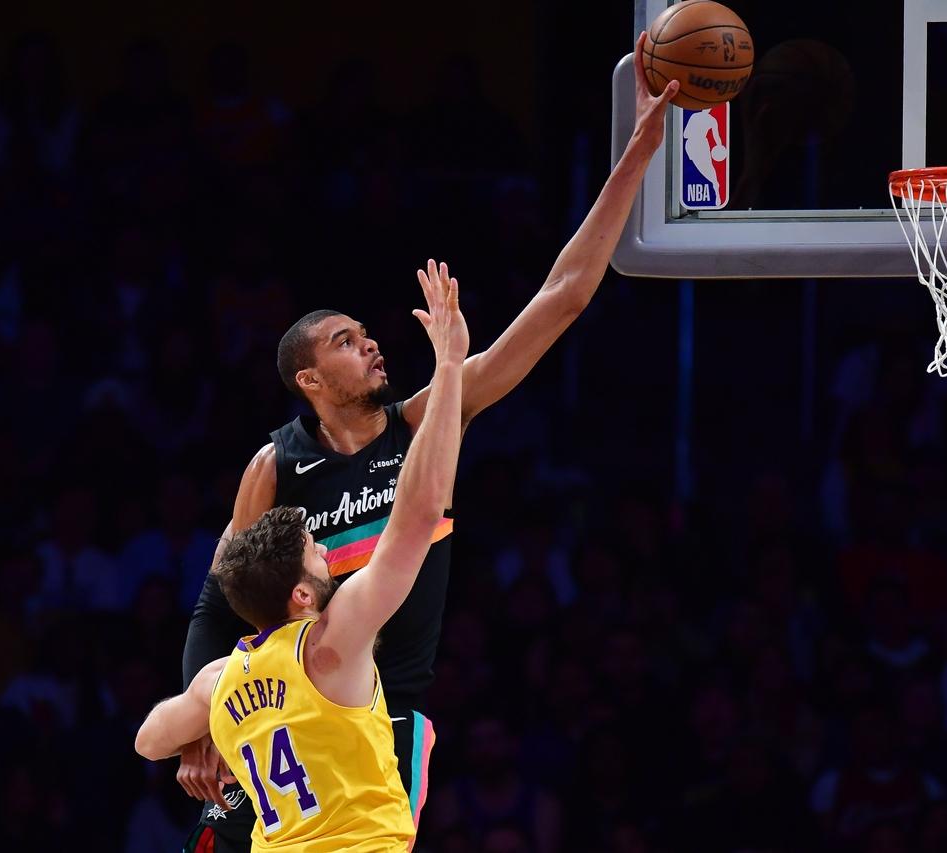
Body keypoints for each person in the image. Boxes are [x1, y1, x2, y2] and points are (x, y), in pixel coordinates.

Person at [176, 33, 679, 852]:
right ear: (309, 378)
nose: (371, 343)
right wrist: (200, 724)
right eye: (345, 341)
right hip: (280, 714)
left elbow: (561, 297)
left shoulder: (430, 416)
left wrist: (638, 154)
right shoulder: (275, 465)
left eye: (367, 332)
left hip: (382, 719)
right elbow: (215, 606)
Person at [136, 269, 468, 851]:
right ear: (302, 593)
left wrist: (203, 722)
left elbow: (147, 740)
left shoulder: (221, 680)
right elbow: (418, 515)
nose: (329, 553)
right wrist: (448, 365)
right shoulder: (339, 640)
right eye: (319, 552)